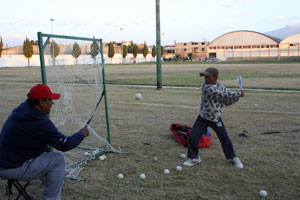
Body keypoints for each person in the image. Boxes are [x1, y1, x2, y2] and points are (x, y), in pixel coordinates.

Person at [0, 84, 90, 200]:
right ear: (41, 102)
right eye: (50, 100)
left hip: (6, 162)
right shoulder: (39, 122)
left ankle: (48, 182)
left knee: (46, 154)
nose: (52, 103)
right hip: (10, 168)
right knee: (58, 159)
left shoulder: (23, 109)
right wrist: (82, 134)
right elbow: (65, 145)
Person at [183, 67, 245, 169]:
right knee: (193, 137)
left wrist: (237, 98)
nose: (205, 79)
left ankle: (232, 157)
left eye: (208, 77)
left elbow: (226, 101)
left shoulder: (220, 86)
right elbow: (222, 94)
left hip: (216, 118)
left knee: (225, 138)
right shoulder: (206, 87)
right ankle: (194, 158)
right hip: (203, 117)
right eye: (204, 77)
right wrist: (238, 94)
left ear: (215, 77)